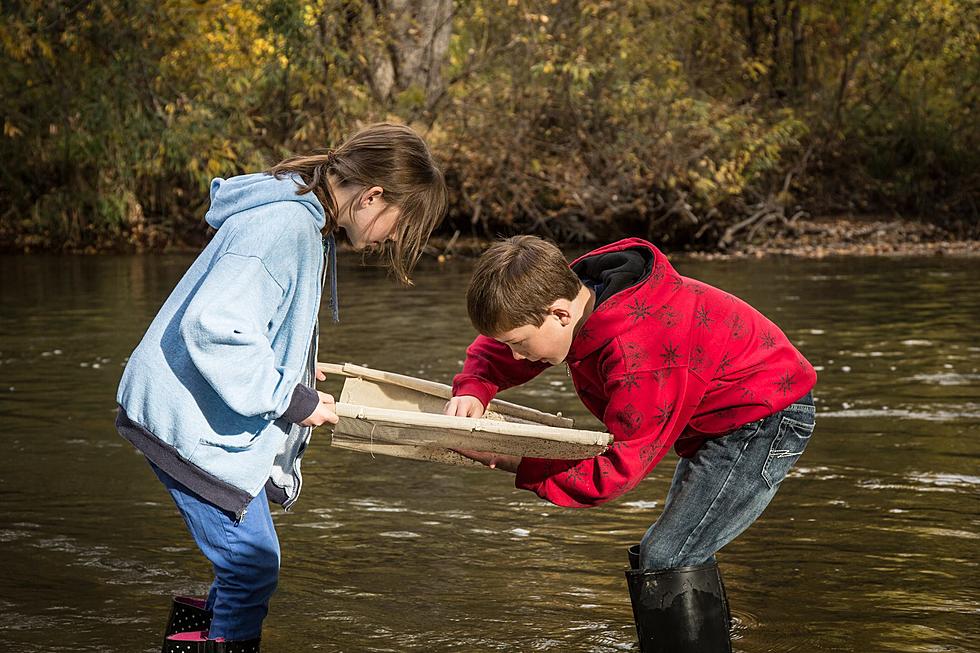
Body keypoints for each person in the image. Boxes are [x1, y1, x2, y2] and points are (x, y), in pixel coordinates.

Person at [115, 122, 447, 652]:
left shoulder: (302, 219)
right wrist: (290, 398)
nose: (389, 240)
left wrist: (292, 364)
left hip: (191, 408)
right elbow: (214, 328)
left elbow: (249, 320)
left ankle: (184, 647)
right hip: (183, 418)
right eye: (398, 224)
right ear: (373, 196)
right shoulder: (286, 226)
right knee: (252, 567)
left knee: (241, 567)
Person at [445, 235, 817, 653]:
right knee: (676, 551)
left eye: (518, 343)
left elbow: (618, 468)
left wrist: (510, 456)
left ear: (560, 314)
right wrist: (474, 389)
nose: (513, 356)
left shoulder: (639, 351)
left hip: (765, 419)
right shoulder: (580, 291)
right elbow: (500, 343)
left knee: (666, 557)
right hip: (719, 417)